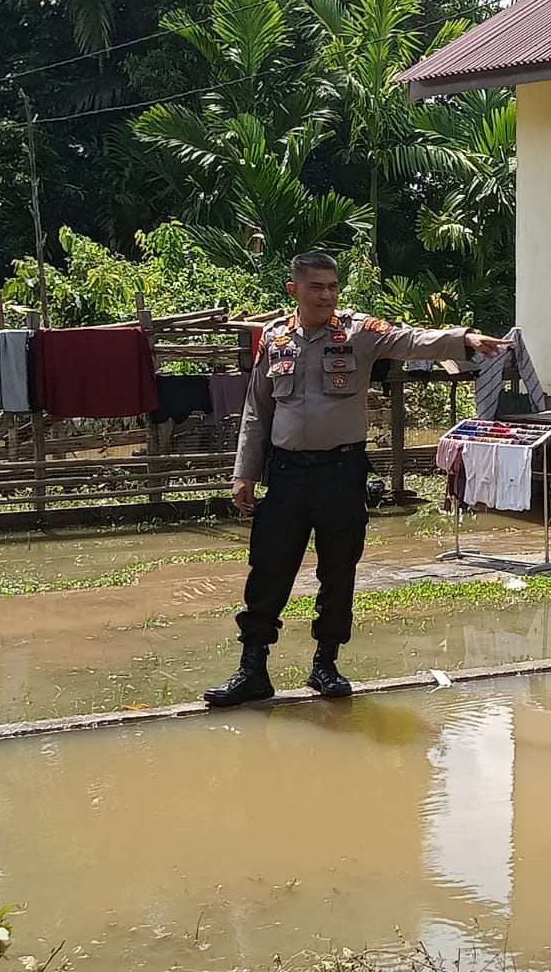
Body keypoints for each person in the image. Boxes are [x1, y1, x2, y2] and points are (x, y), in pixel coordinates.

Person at [205, 251, 508, 706]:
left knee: (338, 570)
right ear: (294, 291)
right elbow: (257, 411)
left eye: (333, 286)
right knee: (269, 569)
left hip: (340, 474)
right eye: (317, 288)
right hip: (286, 475)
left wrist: (462, 338)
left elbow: (412, 340)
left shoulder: (359, 331)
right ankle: (253, 669)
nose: (328, 295)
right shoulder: (274, 338)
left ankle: (325, 664)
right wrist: (243, 473)